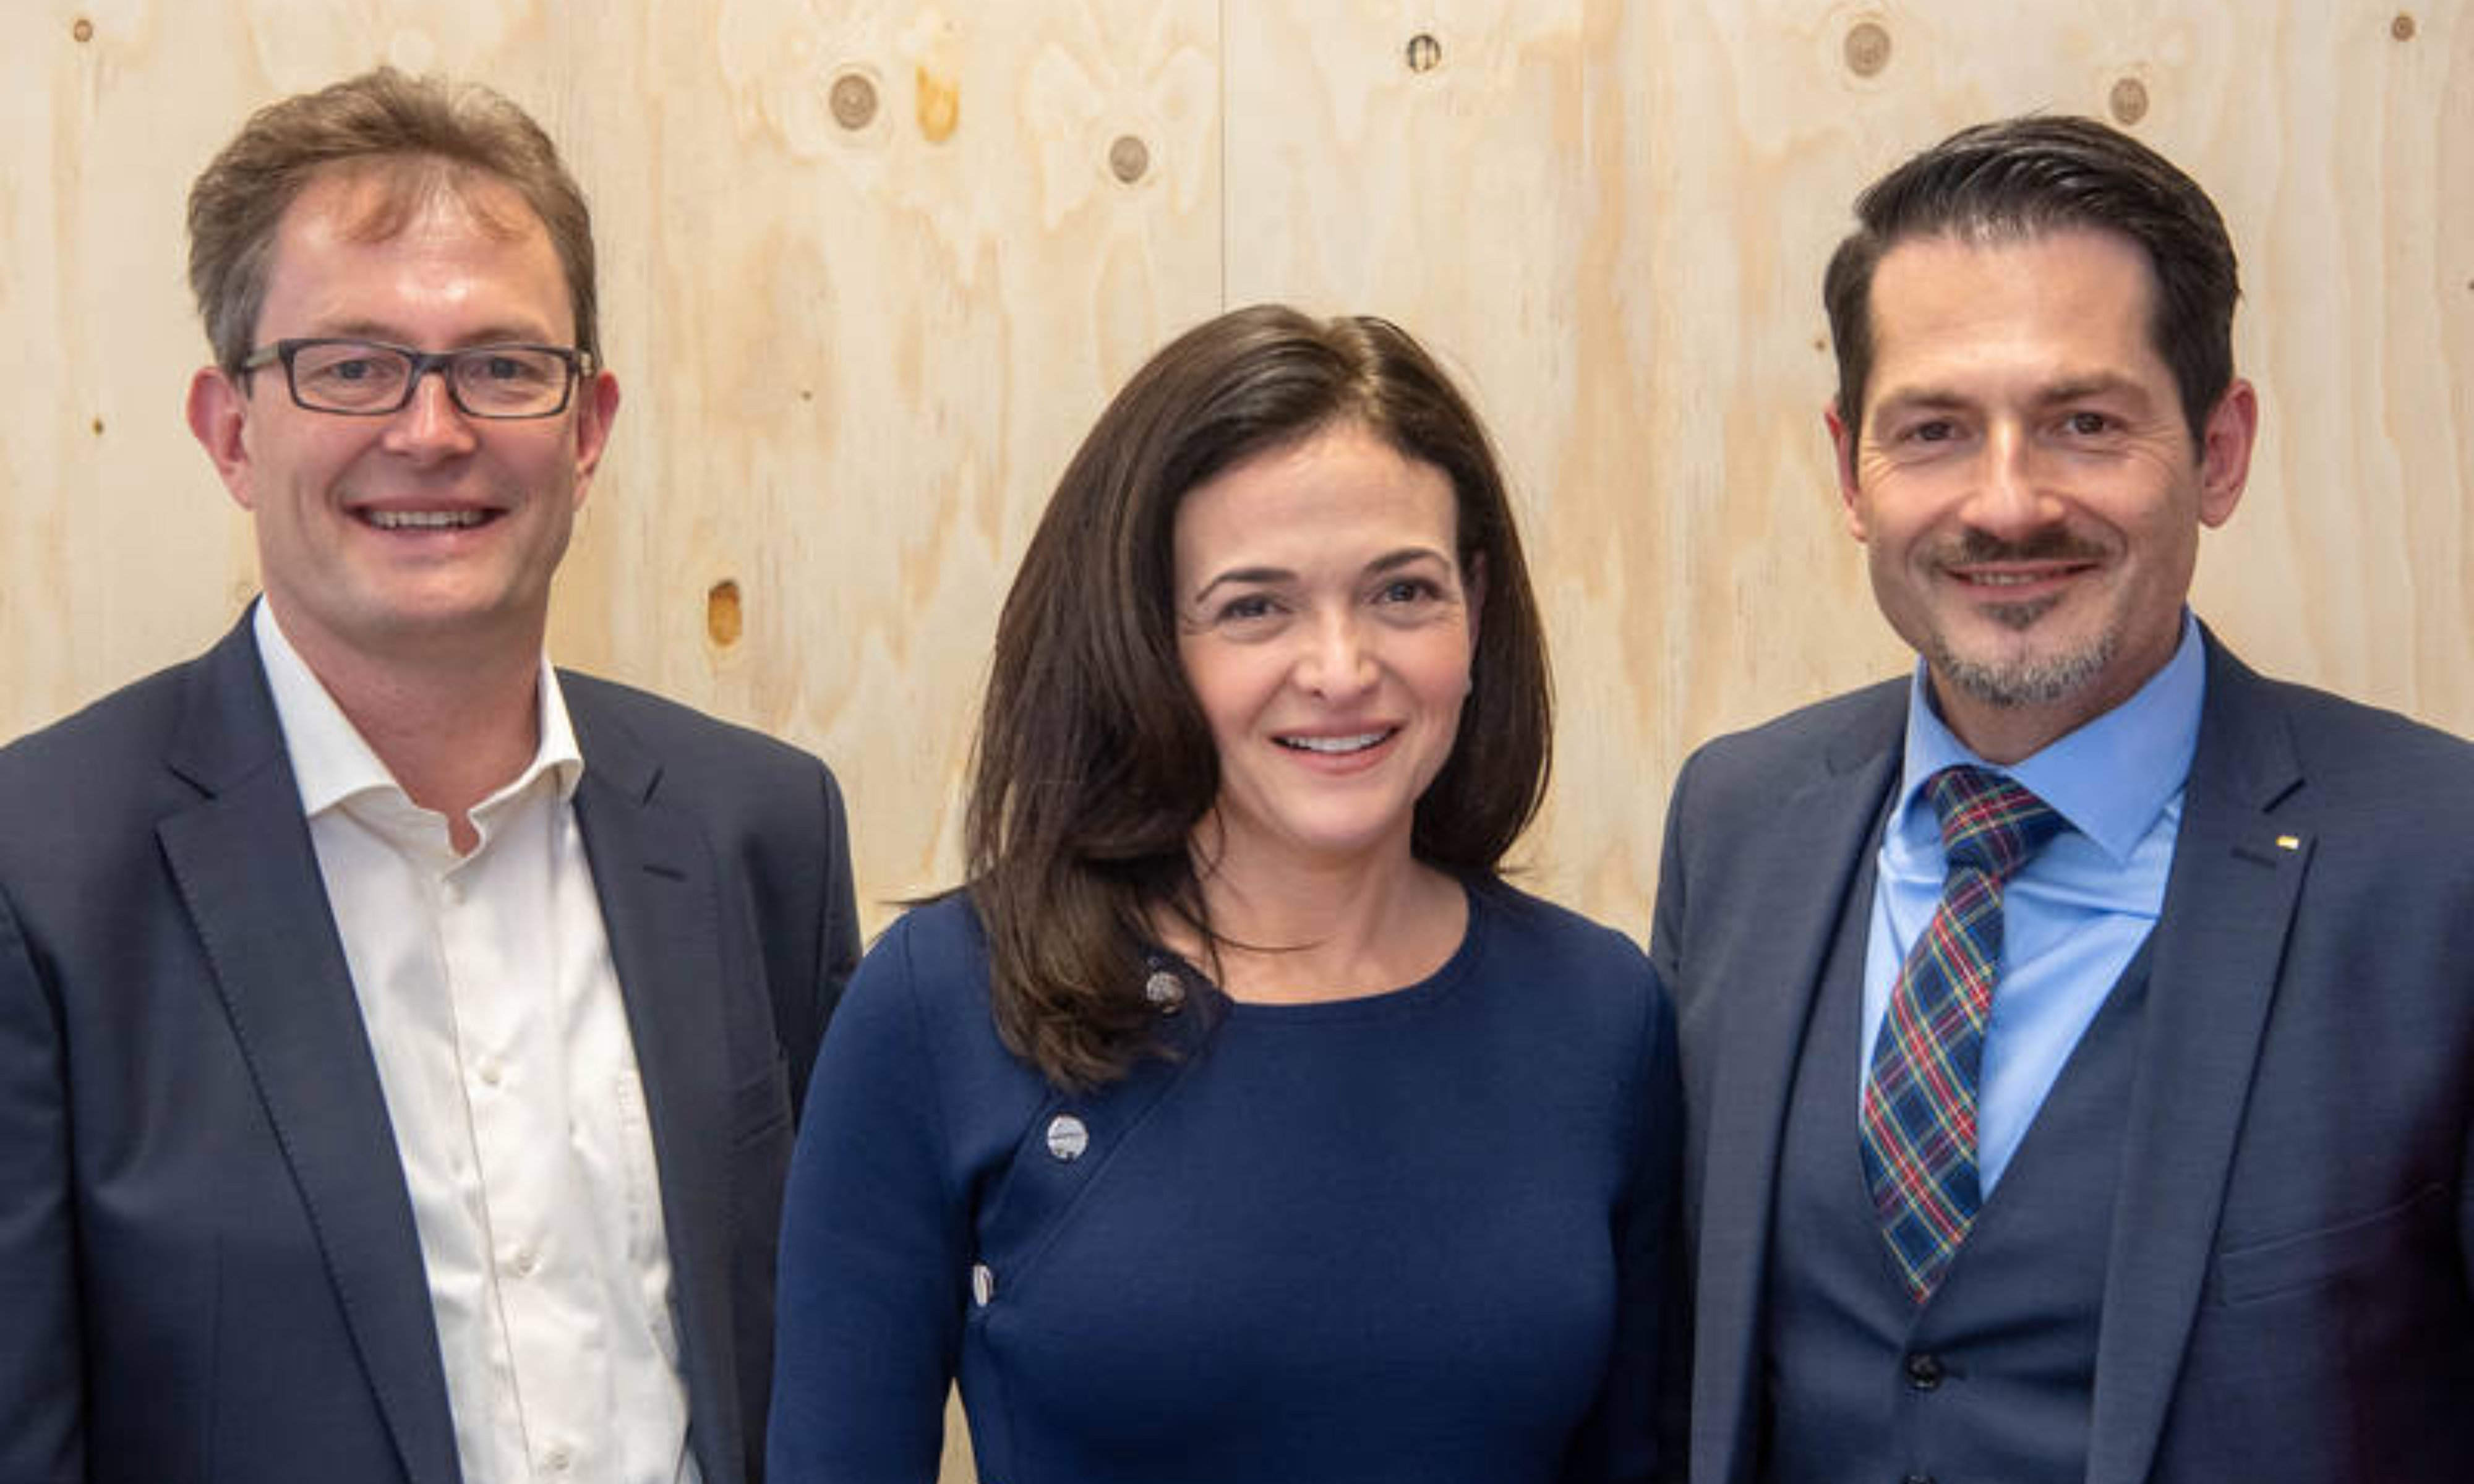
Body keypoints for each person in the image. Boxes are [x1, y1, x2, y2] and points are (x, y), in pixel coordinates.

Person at [0, 69, 862, 1484]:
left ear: (586, 432)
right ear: (231, 429)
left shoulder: (756, 832)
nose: (431, 429)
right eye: (350, 364)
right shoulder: (40, 880)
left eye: (503, 367)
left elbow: (823, 1368)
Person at [1652, 114, 2474, 1483]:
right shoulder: (1735, 822)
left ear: (2217, 451)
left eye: (2083, 423)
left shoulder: (2441, 862)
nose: (2006, 502)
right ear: (1849, 466)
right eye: (1931, 430)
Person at [768, 304, 1677, 1482]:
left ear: (1478, 608)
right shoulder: (942, 1006)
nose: (1343, 670)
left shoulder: (1601, 1012)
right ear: (1147, 639)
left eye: (1403, 592)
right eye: (1256, 607)